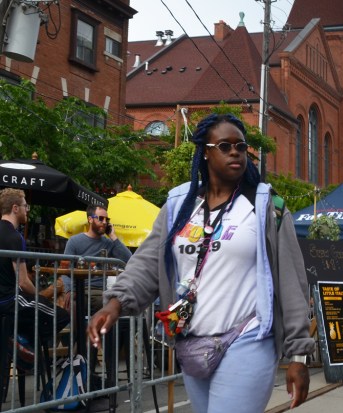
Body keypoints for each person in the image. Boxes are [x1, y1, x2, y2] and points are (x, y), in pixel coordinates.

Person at [87, 113, 314, 412]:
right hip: (192, 343)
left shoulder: (266, 206)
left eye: (241, 146)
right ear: (205, 152)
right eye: (224, 145)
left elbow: (291, 282)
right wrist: (114, 304)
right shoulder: (179, 205)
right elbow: (147, 262)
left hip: (247, 338)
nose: (235, 152)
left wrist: (298, 357)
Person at [0, 188, 69, 342]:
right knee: (62, 316)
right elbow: (23, 281)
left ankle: (23, 346)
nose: (27, 210)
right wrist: (39, 295)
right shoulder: (15, 237)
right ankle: (26, 350)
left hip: (5, 300)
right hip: (9, 300)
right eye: (25, 206)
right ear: (15, 208)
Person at [62, 204, 132, 310]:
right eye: (101, 218)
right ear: (90, 219)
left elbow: (129, 259)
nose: (104, 222)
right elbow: (64, 269)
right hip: (79, 288)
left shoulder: (109, 243)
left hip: (99, 291)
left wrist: (113, 236)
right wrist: (70, 290)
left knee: (112, 306)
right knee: (71, 304)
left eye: (107, 219)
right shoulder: (74, 241)